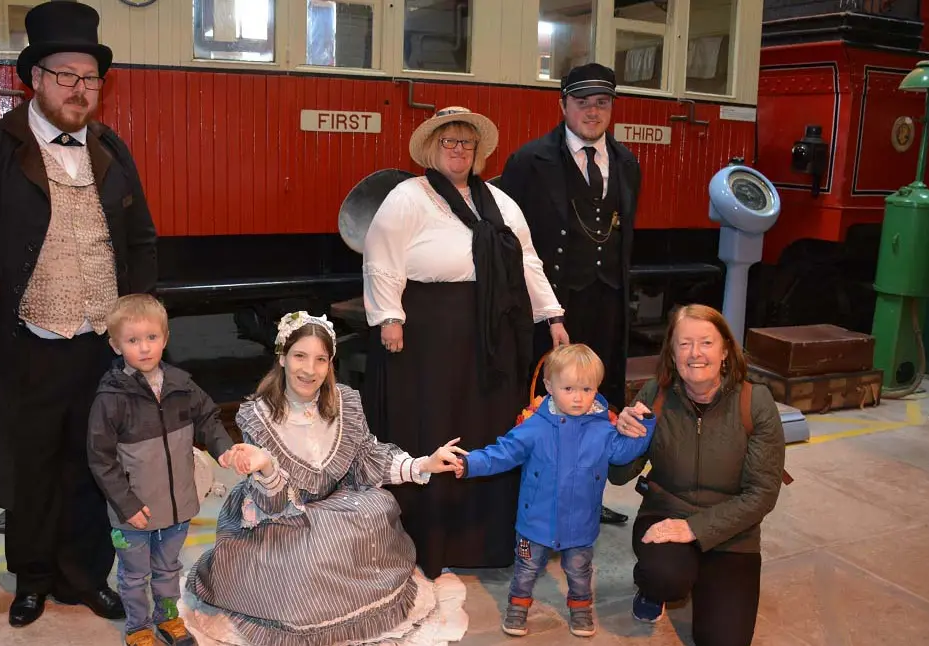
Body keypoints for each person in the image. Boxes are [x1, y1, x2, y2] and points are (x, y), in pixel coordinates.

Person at [0, 1, 157, 627]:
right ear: (35, 79)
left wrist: (142, 322)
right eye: (66, 76)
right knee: (31, 469)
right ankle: (32, 577)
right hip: (26, 342)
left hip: (98, 345)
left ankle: (84, 577)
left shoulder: (110, 148)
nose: (80, 90)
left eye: (91, 79)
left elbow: (142, 241)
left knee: (92, 464)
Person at [361, 106, 569, 579]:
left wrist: (552, 315)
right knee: (432, 422)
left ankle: (483, 539)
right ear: (433, 149)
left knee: (485, 428)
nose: (458, 151)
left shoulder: (498, 201)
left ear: (478, 153)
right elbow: (382, 257)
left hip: (488, 334)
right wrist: (390, 318)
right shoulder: (408, 196)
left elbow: (528, 262)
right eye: (450, 143)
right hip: (425, 333)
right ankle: (428, 540)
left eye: (466, 144)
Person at [183, 312, 469, 646]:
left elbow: (367, 456)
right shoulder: (258, 416)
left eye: (321, 359)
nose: (309, 369)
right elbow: (273, 502)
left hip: (336, 502)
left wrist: (423, 464)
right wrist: (266, 467)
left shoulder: (344, 402)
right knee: (307, 555)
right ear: (282, 358)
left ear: (330, 363)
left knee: (377, 509)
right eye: (300, 356)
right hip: (279, 511)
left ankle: (355, 607)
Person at [499, 63, 642, 526]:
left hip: (607, 303)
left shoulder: (626, 163)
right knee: (546, 405)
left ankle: (587, 496)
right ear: (563, 105)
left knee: (595, 402)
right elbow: (510, 245)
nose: (592, 111)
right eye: (582, 102)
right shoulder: (528, 162)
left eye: (602, 103)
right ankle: (537, 503)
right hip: (551, 310)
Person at [609, 304, 786, 646]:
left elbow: (762, 493)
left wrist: (694, 530)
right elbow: (618, 476)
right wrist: (622, 439)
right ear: (672, 354)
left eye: (706, 342)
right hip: (666, 514)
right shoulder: (655, 395)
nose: (695, 354)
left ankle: (704, 575)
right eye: (684, 344)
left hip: (733, 533)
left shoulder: (756, 402)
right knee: (665, 576)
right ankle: (652, 588)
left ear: (724, 352)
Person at [452, 344, 655, 638]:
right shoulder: (535, 427)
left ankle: (580, 608)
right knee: (526, 569)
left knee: (579, 571)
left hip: (581, 521)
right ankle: (518, 606)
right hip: (535, 520)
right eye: (569, 388)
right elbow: (503, 452)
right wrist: (469, 463)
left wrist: (644, 425)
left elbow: (624, 452)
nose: (578, 397)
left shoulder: (603, 429)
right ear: (549, 386)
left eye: (587, 389)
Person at [88, 295, 243, 646]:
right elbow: (100, 458)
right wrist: (126, 504)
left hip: (178, 507)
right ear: (115, 345)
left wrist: (224, 449)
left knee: (168, 569)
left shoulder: (181, 385)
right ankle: (138, 628)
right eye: (132, 340)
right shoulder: (111, 398)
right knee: (133, 574)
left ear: (166, 337)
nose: (144, 348)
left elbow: (208, 418)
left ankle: (167, 618)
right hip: (134, 513)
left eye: (151, 338)